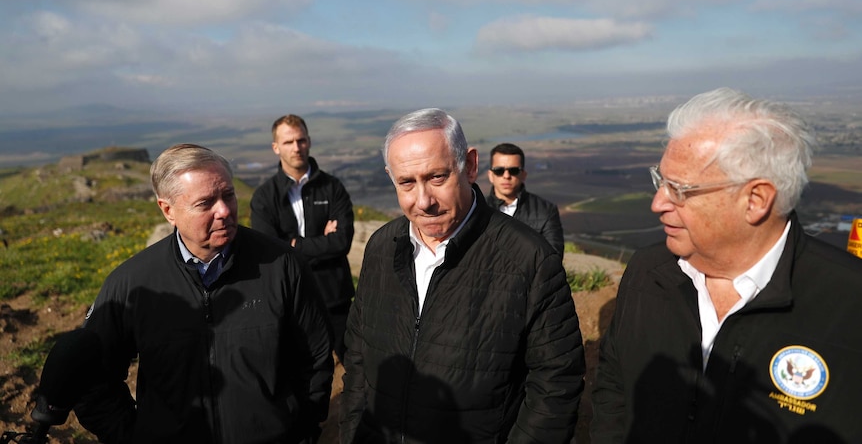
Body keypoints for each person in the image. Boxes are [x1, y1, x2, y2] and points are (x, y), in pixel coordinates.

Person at [591, 88, 862, 443]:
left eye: (680, 190)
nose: (658, 203)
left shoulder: (849, 304)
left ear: (756, 200)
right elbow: (615, 384)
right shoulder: (649, 272)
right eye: (661, 181)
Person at [340, 108, 585, 443]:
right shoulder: (382, 248)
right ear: (390, 177)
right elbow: (357, 356)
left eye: (437, 177)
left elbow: (557, 383)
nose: (423, 201)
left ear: (469, 166)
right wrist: (354, 433)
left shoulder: (529, 259)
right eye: (407, 183)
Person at [75, 144, 334, 444]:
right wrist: (136, 435)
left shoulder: (282, 266)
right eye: (205, 202)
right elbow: (90, 380)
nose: (224, 210)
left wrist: (301, 431)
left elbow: (316, 359)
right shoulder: (133, 283)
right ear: (167, 210)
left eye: (228, 195)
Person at [251, 114, 355, 363]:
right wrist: (321, 243)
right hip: (290, 297)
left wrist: (294, 244)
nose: (296, 148)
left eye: (301, 140)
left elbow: (342, 242)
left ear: (309, 141)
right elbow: (269, 251)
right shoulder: (265, 197)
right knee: (298, 370)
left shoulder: (332, 188)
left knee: (353, 364)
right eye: (288, 142)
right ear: (276, 147)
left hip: (335, 296)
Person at [485, 142, 565, 254]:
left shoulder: (546, 211)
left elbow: (553, 258)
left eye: (513, 170)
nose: (506, 176)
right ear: (490, 175)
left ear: (523, 175)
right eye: (499, 171)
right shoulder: (476, 209)